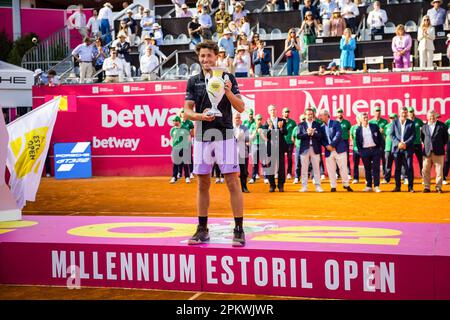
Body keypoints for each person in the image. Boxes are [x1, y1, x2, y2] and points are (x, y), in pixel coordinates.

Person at [183, 40, 246, 247]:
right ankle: (202, 229)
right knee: (202, 183)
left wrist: (228, 91)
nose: (205, 60)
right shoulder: (193, 81)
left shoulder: (228, 77)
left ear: (216, 56)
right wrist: (201, 116)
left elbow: (241, 107)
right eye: (202, 56)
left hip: (225, 135)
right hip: (202, 135)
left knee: (232, 182)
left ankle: (239, 229)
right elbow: (187, 112)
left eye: (209, 56)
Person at [319, 109, 353, 192]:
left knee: (343, 168)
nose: (320, 117)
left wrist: (332, 145)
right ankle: (333, 186)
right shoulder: (321, 127)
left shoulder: (336, 123)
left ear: (327, 115)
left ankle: (346, 184)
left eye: (321, 115)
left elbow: (338, 134)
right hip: (328, 151)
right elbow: (321, 139)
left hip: (339, 149)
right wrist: (327, 146)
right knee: (331, 169)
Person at [297, 108, 323, 192]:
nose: (309, 116)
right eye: (308, 114)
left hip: (315, 148)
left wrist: (313, 133)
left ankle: (318, 186)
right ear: (305, 115)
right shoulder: (301, 125)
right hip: (304, 149)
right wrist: (307, 134)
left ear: (313, 115)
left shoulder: (317, 124)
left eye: (311, 114)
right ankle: (304, 186)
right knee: (304, 169)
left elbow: (320, 136)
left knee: (316, 168)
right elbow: (298, 136)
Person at [262, 105, 288, 192]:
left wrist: (281, 128)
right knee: (270, 167)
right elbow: (266, 136)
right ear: (268, 112)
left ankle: (281, 185)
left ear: (276, 111)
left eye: (274, 109)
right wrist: (269, 128)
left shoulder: (282, 120)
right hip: (271, 148)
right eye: (271, 110)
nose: (273, 111)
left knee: (281, 167)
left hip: (280, 147)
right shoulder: (266, 122)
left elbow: (285, 132)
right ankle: (272, 185)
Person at [421, 110, 448, 193]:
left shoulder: (442, 126)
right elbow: (423, 138)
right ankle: (427, 187)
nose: (431, 118)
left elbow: (445, 139)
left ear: (436, 117)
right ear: (427, 117)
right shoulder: (424, 127)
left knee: (439, 171)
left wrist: (438, 145)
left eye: (433, 116)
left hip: (438, 152)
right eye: (430, 116)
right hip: (427, 152)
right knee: (425, 170)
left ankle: (438, 187)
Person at [355, 112, 383, 192]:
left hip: (375, 150)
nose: (366, 118)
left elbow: (380, 138)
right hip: (365, 151)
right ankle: (369, 186)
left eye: (366, 117)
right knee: (367, 169)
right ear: (360, 119)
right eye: (364, 117)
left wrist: (380, 149)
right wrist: (361, 152)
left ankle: (377, 186)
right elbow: (357, 142)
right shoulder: (358, 130)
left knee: (376, 168)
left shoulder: (374, 126)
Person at [391, 107, 416, 192]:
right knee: (397, 168)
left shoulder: (411, 123)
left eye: (405, 112)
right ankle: (397, 187)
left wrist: (405, 144)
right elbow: (392, 135)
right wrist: (398, 143)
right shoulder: (394, 122)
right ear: (399, 113)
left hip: (407, 148)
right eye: (402, 112)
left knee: (409, 167)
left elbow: (413, 136)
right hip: (397, 149)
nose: (404, 114)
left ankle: (410, 187)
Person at [170, 115, 191, 184]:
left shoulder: (185, 128)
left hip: (184, 148)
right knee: (175, 163)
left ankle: (187, 177)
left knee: (185, 163)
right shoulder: (172, 129)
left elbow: (188, 138)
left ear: (178, 121)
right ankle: (174, 177)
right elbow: (172, 138)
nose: (174, 122)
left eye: (175, 121)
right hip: (175, 148)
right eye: (173, 121)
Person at [369, 106, 389, 178]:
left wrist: (383, 131)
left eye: (379, 111)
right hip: (373, 144)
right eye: (376, 111)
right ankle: (373, 174)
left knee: (384, 159)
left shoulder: (385, 121)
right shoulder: (370, 122)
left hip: (382, 143)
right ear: (373, 112)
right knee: (373, 160)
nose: (378, 112)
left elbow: (388, 132)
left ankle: (385, 174)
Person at [233, 113, 250, 193]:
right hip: (232, 154)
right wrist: (237, 138)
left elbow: (247, 140)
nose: (237, 119)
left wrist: (243, 137)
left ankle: (244, 187)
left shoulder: (245, 128)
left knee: (244, 172)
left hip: (243, 153)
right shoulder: (230, 128)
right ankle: (235, 189)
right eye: (236, 118)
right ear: (233, 119)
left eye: (239, 118)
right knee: (232, 173)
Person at [249, 114, 267, 183]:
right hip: (254, 145)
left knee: (264, 162)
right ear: (255, 120)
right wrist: (256, 130)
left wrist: (261, 133)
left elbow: (265, 139)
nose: (259, 121)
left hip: (262, 145)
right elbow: (250, 138)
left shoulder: (263, 126)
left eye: (260, 119)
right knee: (255, 163)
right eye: (258, 119)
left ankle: (265, 178)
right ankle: (253, 178)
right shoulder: (252, 126)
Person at [407, 107, 425, 179]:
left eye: (412, 111)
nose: (411, 113)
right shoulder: (406, 121)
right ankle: (408, 177)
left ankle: (423, 176)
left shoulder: (418, 121)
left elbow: (424, 129)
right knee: (408, 161)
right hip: (409, 144)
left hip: (417, 143)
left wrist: (423, 139)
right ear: (407, 113)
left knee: (421, 160)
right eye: (410, 112)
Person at [336, 108, 352, 180]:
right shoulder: (334, 122)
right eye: (338, 112)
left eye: (341, 112)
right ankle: (337, 173)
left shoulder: (347, 122)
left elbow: (349, 132)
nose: (340, 114)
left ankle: (348, 173)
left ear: (342, 113)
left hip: (345, 141)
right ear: (336, 114)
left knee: (346, 157)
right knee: (336, 157)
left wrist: (349, 140)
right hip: (336, 142)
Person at [382, 113, 398, 184]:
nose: (392, 119)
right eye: (390, 118)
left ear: (396, 118)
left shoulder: (399, 126)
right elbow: (385, 137)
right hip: (388, 148)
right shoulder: (386, 126)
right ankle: (386, 179)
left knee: (399, 164)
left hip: (396, 148)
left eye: (393, 118)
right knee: (387, 165)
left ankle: (402, 178)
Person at [282, 107, 297, 180]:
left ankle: (289, 173)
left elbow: (295, 132)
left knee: (289, 158)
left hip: (290, 143)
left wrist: (294, 140)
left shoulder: (293, 122)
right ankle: (280, 173)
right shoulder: (280, 121)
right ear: (282, 113)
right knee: (280, 158)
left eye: (287, 112)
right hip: (281, 142)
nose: (286, 113)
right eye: (285, 112)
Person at [292, 114, 305, 184]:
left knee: (309, 163)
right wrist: (296, 144)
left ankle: (312, 178)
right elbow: (292, 137)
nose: (303, 120)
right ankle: (297, 177)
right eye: (302, 119)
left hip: (305, 148)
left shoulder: (307, 127)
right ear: (300, 120)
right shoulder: (296, 128)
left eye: (304, 119)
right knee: (297, 163)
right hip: (298, 148)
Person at [349, 115, 361, 183]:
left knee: (367, 164)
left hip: (363, 149)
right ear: (356, 119)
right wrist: (353, 142)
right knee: (355, 164)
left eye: (360, 118)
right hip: (355, 149)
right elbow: (351, 136)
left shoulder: (364, 127)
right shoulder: (353, 127)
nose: (359, 119)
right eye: (358, 118)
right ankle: (356, 178)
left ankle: (368, 179)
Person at [443, 116, 450, 184]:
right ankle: (443, 178)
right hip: (449, 142)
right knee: (447, 160)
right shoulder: (448, 121)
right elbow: (443, 130)